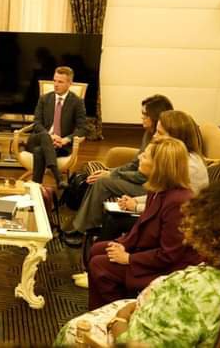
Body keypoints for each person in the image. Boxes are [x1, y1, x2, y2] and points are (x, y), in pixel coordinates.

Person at [55, 181, 220, 347]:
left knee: (71, 331)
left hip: (138, 329)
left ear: (207, 231)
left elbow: (131, 344)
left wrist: (120, 319)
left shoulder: (184, 292)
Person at [87, 137, 202, 310]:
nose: (140, 157)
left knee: (99, 265)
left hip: (170, 269)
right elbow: (141, 227)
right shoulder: (157, 190)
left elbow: (170, 255)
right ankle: (104, 307)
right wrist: (122, 244)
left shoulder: (178, 202)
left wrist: (129, 258)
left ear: (159, 166)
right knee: (97, 249)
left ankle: (117, 312)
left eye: (145, 156)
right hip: (150, 251)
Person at [63, 94, 173, 245]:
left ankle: (82, 230)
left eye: (145, 114)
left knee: (103, 182)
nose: (141, 117)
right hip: (139, 179)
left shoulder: (164, 143)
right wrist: (110, 171)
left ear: (156, 117)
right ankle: (79, 218)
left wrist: (112, 174)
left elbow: (143, 176)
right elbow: (134, 164)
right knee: (96, 175)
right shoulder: (149, 134)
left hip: (148, 186)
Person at [100, 110, 209, 241]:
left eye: (160, 133)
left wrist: (135, 206)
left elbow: (172, 206)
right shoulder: (176, 159)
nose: (154, 136)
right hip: (167, 213)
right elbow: (161, 195)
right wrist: (136, 200)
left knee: (114, 220)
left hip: (179, 222)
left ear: (176, 138)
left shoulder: (186, 166)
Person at [27, 66, 87, 187]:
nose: (55, 84)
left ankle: (36, 186)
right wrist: (50, 136)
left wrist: (65, 140)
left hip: (60, 145)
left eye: (60, 82)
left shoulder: (77, 102)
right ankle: (58, 177)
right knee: (45, 136)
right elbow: (37, 123)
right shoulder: (44, 99)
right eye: (54, 80)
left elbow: (82, 129)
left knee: (39, 151)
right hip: (37, 139)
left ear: (69, 83)